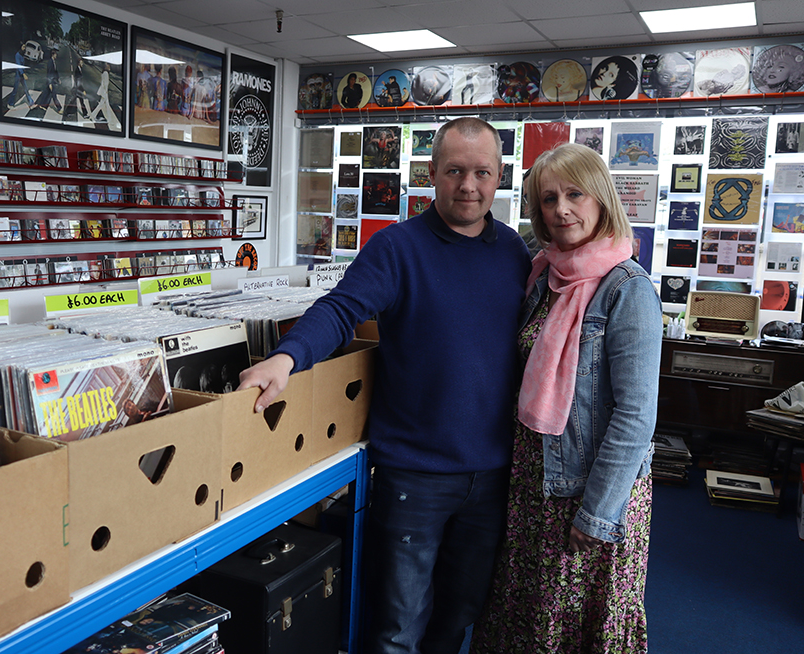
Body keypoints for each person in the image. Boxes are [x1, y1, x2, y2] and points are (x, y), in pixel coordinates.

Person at [237, 117, 532, 654]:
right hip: (413, 475)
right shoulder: (396, 248)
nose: (469, 185)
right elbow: (340, 308)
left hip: (492, 474)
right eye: (455, 171)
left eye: (482, 172)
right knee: (397, 628)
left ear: (500, 176)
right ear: (431, 174)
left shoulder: (514, 250)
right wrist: (287, 357)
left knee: (459, 615)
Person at [469, 143, 662, 654]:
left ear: (601, 198)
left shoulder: (628, 288)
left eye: (575, 193)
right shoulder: (543, 276)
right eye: (549, 198)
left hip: (588, 491)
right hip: (533, 483)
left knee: (572, 627)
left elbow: (637, 417)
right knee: (526, 619)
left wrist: (597, 514)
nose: (562, 209)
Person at [9, 42, 36, 109]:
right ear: (20, 47)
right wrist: (23, 74)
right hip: (18, 75)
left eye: (25, 47)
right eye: (23, 47)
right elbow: (18, 66)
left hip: (21, 75)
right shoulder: (17, 55)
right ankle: (10, 103)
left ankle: (31, 103)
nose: (25, 48)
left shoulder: (22, 55)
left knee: (26, 89)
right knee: (15, 90)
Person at [35, 48, 63, 113]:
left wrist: (58, 79)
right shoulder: (50, 62)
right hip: (51, 81)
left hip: (53, 80)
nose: (56, 55)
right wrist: (50, 83)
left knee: (46, 93)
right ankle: (59, 108)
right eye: (56, 54)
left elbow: (55, 72)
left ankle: (42, 105)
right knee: (54, 95)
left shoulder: (53, 61)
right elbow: (49, 73)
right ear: (53, 55)